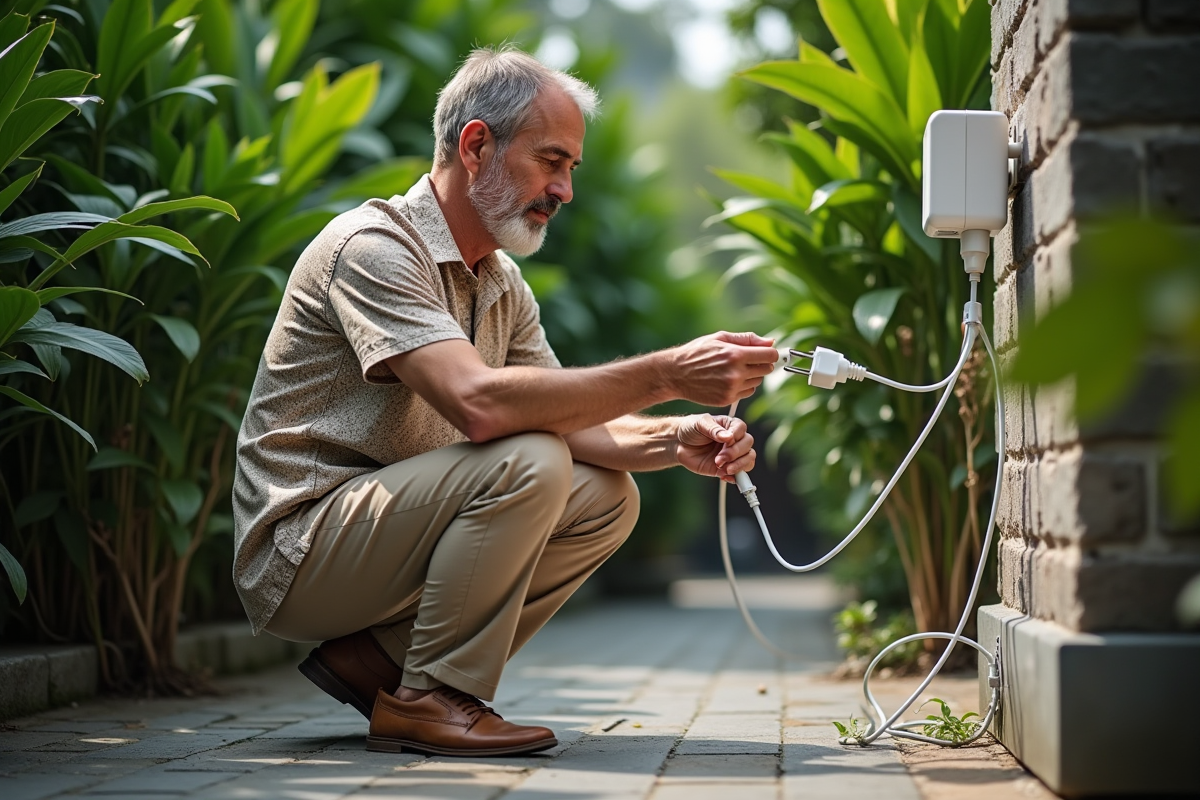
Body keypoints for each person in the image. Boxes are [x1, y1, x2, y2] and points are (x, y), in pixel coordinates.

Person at [231, 45, 778, 757]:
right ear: (477, 144)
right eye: (551, 160)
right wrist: (669, 372)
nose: (565, 190)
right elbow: (482, 406)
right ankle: (435, 697)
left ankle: (381, 667)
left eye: (571, 169)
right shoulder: (373, 247)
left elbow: (569, 420)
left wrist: (677, 439)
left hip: (380, 537)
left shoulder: (499, 280)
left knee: (606, 496)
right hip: (299, 552)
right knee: (529, 457)